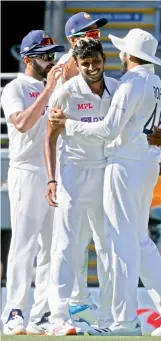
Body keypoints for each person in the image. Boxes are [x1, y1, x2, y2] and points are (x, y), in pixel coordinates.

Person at [51, 29, 161, 337]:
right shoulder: (155, 82)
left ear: (127, 55)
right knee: (141, 243)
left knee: (122, 244)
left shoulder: (130, 83)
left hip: (125, 167)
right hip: (146, 164)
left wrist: (68, 125)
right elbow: (157, 128)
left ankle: (124, 323)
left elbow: (107, 130)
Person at [45, 38, 118, 336]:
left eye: (96, 61)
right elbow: (49, 138)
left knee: (107, 245)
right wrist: (52, 179)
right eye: (85, 63)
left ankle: (106, 317)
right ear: (77, 62)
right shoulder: (65, 93)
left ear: (103, 58)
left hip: (107, 172)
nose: (91, 68)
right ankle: (59, 317)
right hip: (73, 174)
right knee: (65, 245)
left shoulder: (117, 88)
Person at [1, 30, 64, 335]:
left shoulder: (54, 86)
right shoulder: (14, 87)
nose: (51, 60)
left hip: (54, 172)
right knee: (24, 245)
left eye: (53, 54)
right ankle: (15, 311)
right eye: (45, 55)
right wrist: (48, 90)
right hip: (26, 170)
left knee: (53, 248)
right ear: (28, 59)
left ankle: (43, 313)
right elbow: (24, 124)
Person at [54, 11, 109, 323]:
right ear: (74, 39)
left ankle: (83, 303)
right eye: (90, 32)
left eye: (97, 32)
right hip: (68, 165)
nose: (96, 36)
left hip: (94, 164)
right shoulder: (65, 71)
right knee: (65, 242)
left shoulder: (91, 65)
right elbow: (53, 124)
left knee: (90, 240)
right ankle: (61, 309)